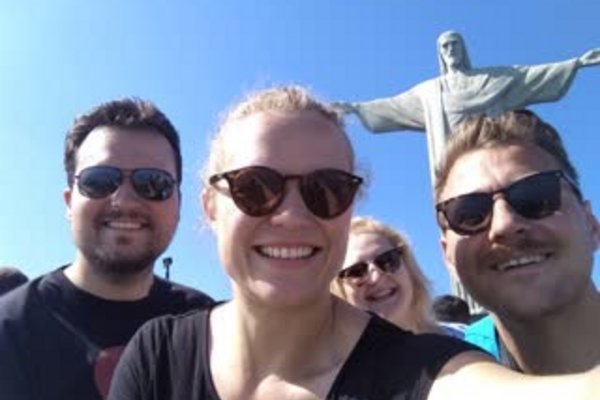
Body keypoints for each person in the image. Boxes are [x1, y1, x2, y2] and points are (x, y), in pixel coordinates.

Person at [108, 86, 599, 400]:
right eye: (254, 187)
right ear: (211, 206)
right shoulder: (159, 356)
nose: (291, 215)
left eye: (327, 190)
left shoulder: (421, 370)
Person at [0, 98, 214, 400]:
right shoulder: (10, 331)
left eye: (153, 183)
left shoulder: (209, 329)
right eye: (99, 181)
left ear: (178, 204)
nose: (124, 200)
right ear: (69, 202)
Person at [435, 109, 600, 374]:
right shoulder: (440, 380)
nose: (505, 225)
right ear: (448, 258)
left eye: (536, 196)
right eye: (469, 213)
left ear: (591, 224)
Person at [336, 30, 600, 182]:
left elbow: (528, 76)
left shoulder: (492, 79)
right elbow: (393, 106)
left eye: (455, 44)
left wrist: (576, 63)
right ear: (440, 53)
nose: (451, 49)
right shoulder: (429, 92)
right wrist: (357, 108)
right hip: (455, 169)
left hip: (496, 161)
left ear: (463, 49)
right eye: (445, 46)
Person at [331, 216, 441, 334]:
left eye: (387, 260)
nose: (376, 278)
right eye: (356, 271)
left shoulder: (453, 340)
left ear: (408, 266)